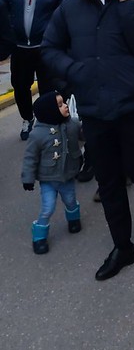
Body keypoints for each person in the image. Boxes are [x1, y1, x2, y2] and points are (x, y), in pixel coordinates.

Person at [41, 0, 134, 281]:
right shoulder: (69, 7)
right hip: (94, 108)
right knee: (108, 180)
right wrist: (74, 71)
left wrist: (125, 5)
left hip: (133, 105)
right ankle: (123, 246)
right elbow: (50, 48)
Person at [2, 0, 68, 140]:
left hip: (45, 48)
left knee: (48, 88)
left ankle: (46, 123)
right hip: (20, 48)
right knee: (20, 87)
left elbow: (65, 13)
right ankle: (27, 118)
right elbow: (3, 11)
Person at [21, 91, 82, 254]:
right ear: (50, 112)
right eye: (60, 105)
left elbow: (84, 134)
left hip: (67, 175)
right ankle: (39, 235)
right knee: (48, 207)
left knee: (70, 200)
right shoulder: (37, 134)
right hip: (48, 179)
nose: (66, 106)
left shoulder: (72, 124)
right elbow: (30, 158)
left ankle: (74, 219)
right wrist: (28, 178)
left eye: (64, 103)